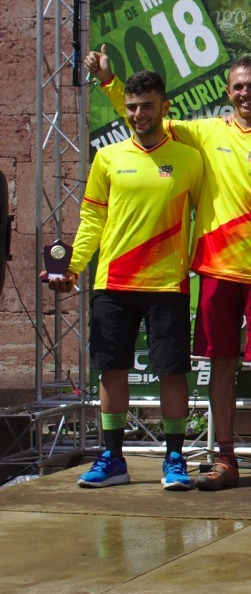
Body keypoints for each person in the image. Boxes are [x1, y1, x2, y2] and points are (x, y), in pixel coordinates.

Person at [85, 49, 251, 494]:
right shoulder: (203, 134)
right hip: (215, 269)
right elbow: (141, 115)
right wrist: (109, 81)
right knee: (221, 366)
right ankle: (224, 457)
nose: (245, 92)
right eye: (238, 86)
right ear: (228, 92)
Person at [46, 71, 204, 490]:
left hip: (167, 284)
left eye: (147, 105)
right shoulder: (108, 157)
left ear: (165, 107)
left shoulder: (189, 159)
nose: (138, 114)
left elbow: (206, 217)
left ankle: (175, 457)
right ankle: (113, 458)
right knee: (111, 369)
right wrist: (73, 267)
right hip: (113, 283)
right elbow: (92, 219)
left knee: (171, 371)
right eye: (132, 107)